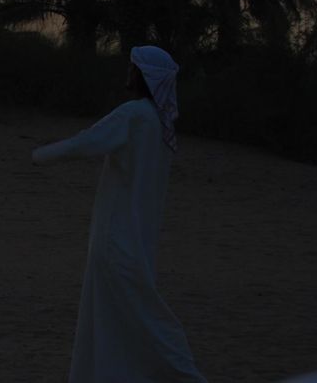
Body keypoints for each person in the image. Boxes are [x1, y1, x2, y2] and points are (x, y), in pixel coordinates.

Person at [31, 45, 207, 383]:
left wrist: (39, 155)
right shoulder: (159, 124)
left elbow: (85, 142)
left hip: (115, 242)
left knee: (143, 318)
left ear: (143, 77)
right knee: (117, 319)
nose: (128, 73)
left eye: (133, 68)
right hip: (135, 242)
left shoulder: (136, 115)